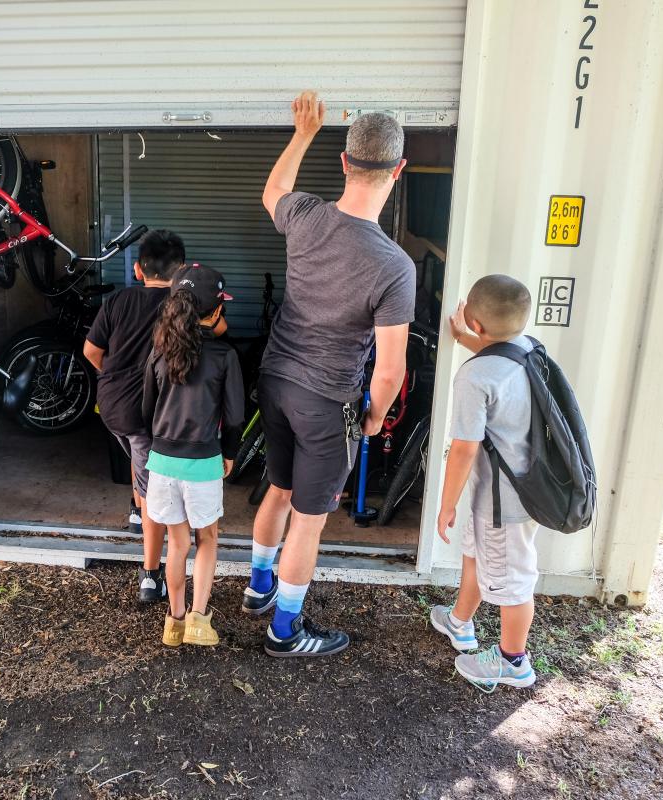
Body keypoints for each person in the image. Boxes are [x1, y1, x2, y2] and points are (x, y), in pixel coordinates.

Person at [244, 91, 416, 657]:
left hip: (275, 380)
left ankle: (260, 586)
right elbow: (389, 371)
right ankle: (285, 631)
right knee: (309, 521)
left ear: (345, 162)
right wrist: (372, 419)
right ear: (398, 170)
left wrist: (303, 134)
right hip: (326, 403)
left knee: (278, 486)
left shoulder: (306, 214)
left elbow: (272, 192)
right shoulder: (394, 266)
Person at [428, 275, 539, 691]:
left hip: (503, 500)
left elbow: (464, 449)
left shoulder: (474, 379)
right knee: (474, 554)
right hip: (509, 487)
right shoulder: (528, 352)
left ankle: (513, 662)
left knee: (513, 581)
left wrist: (445, 504)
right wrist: (463, 338)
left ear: (473, 320)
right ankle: (460, 623)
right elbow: (498, 362)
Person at [141, 265, 244, 647]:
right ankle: (200, 621)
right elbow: (234, 417)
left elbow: (146, 412)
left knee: (177, 544)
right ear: (215, 311)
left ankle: (174, 622)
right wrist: (229, 454)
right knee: (209, 539)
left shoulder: (158, 352)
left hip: (163, 465)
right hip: (203, 464)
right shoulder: (224, 356)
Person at [83, 230, 185, 603]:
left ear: (139, 269)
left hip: (110, 406)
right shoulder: (179, 304)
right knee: (154, 489)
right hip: (147, 412)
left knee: (136, 455)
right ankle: (150, 574)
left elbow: (91, 350)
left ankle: (135, 509)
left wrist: (112, 378)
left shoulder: (117, 301)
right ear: (180, 271)